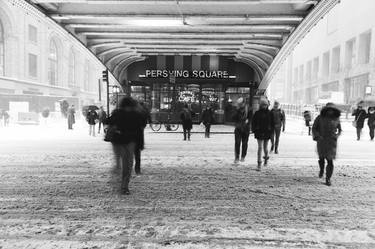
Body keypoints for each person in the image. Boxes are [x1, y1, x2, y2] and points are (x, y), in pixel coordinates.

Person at [106, 97, 145, 195]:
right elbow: (139, 131)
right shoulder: (136, 115)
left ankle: (117, 180)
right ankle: (124, 186)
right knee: (128, 164)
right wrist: (140, 144)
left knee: (119, 162)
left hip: (118, 141)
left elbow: (108, 122)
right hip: (130, 142)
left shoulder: (117, 113)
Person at [312, 102, 342, 186]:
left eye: (332, 110)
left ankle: (328, 178)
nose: (330, 112)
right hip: (321, 141)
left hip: (331, 142)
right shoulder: (319, 118)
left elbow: (340, 129)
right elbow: (314, 128)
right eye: (328, 110)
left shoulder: (336, 118)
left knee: (330, 160)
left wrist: (337, 135)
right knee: (321, 158)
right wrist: (317, 136)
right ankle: (321, 169)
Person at [251, 99, 274, 171]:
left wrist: (271, 131)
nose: (264, 106)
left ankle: (266, 158)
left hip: (267, 132)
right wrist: (254, 129)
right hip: (259, 131)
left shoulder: (270, 113)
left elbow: (273, 123)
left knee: (265, 148)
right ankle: (259, 163)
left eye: (265, 104)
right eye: (263, 104)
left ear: (267, 105)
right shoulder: (257, 113)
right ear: (260, 105)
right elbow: (253, 122)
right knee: (260, 147)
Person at [232, 98, 251, 163]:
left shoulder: (249, 109)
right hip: (238, 128)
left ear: (244, 103)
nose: (240, 105)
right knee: (237, 143)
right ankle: (237, 157)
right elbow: (233, 118)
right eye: (239, 104)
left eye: (241, 104)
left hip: (246, 129)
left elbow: (251, 118)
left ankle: (243, 156)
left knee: (244, 143)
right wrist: (237, 111)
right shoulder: (237, 109)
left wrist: (248, 121)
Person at [134, 102, 150, 175]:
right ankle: (137, 169)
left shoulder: (133, 112)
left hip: (129, 137)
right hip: (137, 136)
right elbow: (143, 125)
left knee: (128, 155)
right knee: (137, 154)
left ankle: (128, 168)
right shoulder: (143, 112)